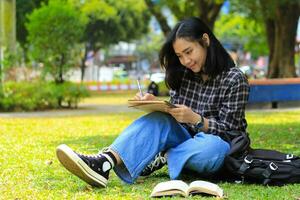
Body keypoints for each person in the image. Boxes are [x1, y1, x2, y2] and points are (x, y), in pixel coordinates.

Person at [56, 17, 249, 188]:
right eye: (180, 56)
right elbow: (174, 121)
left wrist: (198, 120)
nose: (185, 61)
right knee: (158, 118)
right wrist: (158, 104)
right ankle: (104, 163)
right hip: (186, 139)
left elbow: (231, 132)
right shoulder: (184, 74)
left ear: (205, 41)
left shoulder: (234, 79)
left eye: (189, 52)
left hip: (219, 146)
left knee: (211, 149)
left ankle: (163, 154)